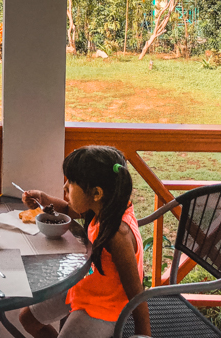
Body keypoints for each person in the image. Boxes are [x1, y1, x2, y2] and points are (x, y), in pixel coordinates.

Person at [18, 145, 150, 338]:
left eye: (70, 183)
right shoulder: (102, 207)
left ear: (96, 193)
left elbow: (136, 291)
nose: (64, 188)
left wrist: (144, 334)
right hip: (82, 285)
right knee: (27, 319)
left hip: (103, 307)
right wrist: (45, 199)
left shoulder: (117, 235)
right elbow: (70, 209)